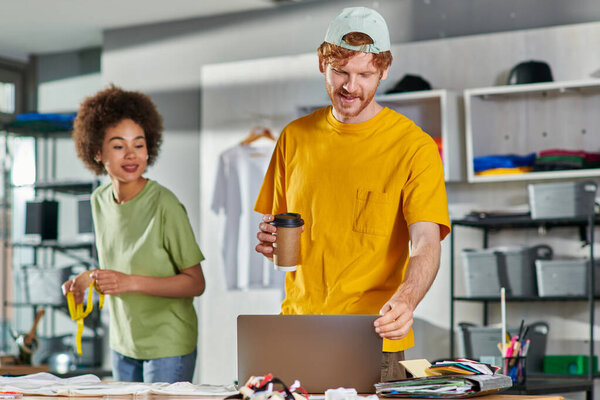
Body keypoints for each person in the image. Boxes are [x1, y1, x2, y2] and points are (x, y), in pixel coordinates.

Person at [254, 7, 450, 381]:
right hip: (295, 331)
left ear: (384, 71)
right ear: (321, 64)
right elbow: (279, 232)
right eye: (340, 71)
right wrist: (269, 242)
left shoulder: (414, 147)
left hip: (372, 339)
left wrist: (407, 299)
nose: (350, 86)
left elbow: (427, 241)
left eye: (365, 74)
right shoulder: (294, 138)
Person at [62, 85, 206, 383]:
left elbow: (196, 283)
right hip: (122, 344)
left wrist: (129, 283)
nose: (131, 155)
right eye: (118, 145)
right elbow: (124, 260)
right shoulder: (99, 201)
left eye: (138, 145)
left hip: (168, 345)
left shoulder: (164, 203)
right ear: (97, 152)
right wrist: (89, 279)